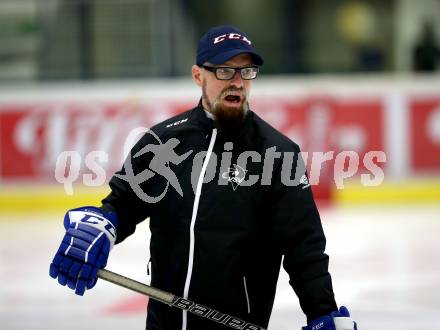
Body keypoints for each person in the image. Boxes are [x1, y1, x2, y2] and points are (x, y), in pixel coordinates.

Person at [49, 25, 357, 330]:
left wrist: (322, 313)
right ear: (199, 76)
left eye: (246, 72)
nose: (237, 82)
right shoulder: (162, 143)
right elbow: (123, 205)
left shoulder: (277, 153)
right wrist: (103, 225)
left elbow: (304, 248)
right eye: (225, 71)